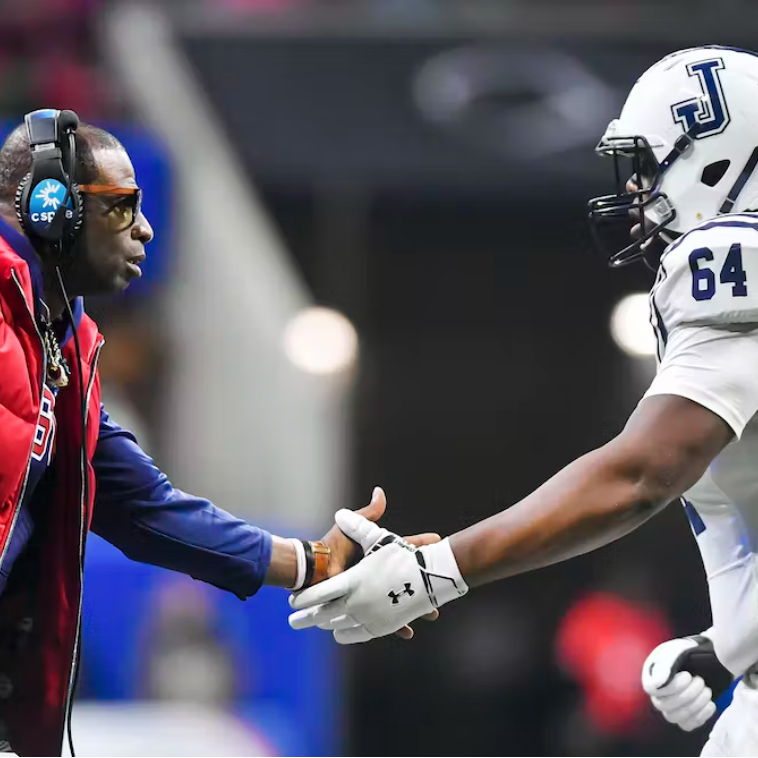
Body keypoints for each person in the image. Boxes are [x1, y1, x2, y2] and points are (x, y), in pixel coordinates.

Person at [289, 46, 758, 756]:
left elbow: (641, 474)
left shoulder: (732, 260)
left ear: (719, 163)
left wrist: (437, 570)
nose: (634, 193)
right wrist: (731, 642)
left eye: (648, 166)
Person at [0, 109, 438, 757]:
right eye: (121, 208)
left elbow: (142, 507)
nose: (146, 230)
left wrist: (313, 562)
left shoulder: (59, 348)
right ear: (51, 209)